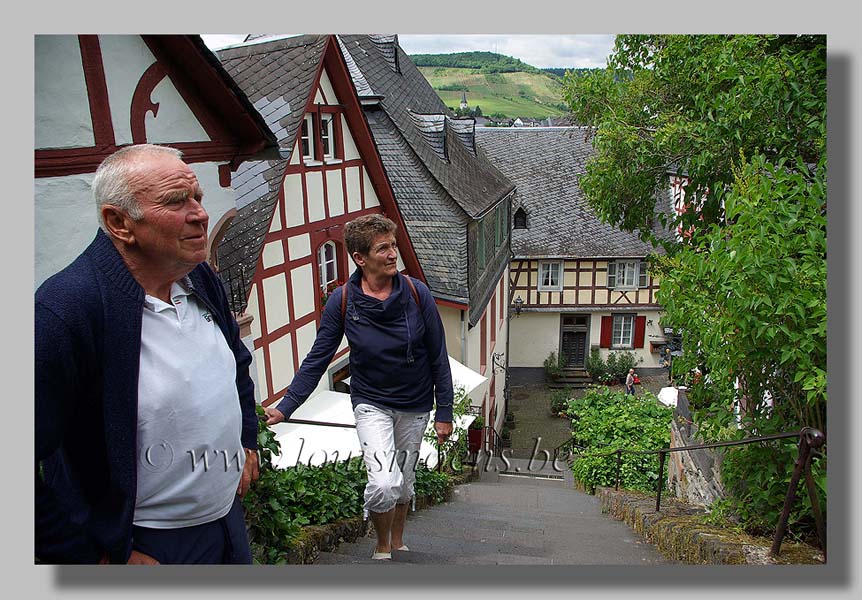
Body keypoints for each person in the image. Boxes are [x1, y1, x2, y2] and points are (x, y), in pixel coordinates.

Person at [35, 144, 259, 564]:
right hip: (149, 546)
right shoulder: (67, 310)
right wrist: (95, 557)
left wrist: (247, 437)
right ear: (118, 222)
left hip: (226, 521)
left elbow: (236, 364)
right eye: (177, 202)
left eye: (198, 198)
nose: (200, 214)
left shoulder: (198, 277)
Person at [264, 214, 454, 561]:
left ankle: (398, 539)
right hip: (371, 403)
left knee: (404, 480)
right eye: (383, 248)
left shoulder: (417, 293)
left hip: (414, 404)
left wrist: (445, 412)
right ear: (360, 258)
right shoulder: (343, 300)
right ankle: (382, 547)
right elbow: (318, 357)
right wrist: (285, 406)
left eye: (393, 245)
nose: (393, 253)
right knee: (384, 481)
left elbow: (439, 355)